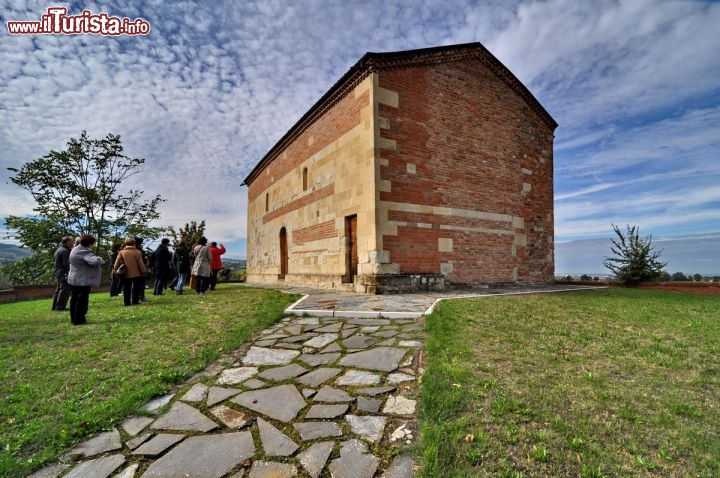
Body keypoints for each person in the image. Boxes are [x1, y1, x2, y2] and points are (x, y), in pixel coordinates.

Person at [67, 234, 105, 325]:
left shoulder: (75, 249)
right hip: (82, 281)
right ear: (90, 243)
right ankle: (79, 320)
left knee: (74, 299)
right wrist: (100, 259)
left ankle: (74, 319)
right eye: (93, 243)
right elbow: (94, 261)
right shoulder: (85, 252)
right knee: (82, 300)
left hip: (73, 279)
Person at [114, 237, 147, 306]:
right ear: (134, 243)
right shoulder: (138, 252)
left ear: (125, 243)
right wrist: (143, 271)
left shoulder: (121, 252)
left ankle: (127, 302)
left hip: (125, 273)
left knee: (126, 288)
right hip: (136, 273)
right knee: (136, 287)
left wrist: (115, 269)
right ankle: (135, 300)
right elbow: (140, 263)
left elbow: (116, 263)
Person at [51, 236, 74, 311]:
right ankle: (60, 307)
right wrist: (70, 272)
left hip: (58, 272)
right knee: (64, 290)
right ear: (67, 242)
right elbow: (67, 264)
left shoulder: (59, 249)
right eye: (72, 241)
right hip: (63, 273)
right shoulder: (65, 251)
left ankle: (54, 306)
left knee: (58, 290)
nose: (73, 242)